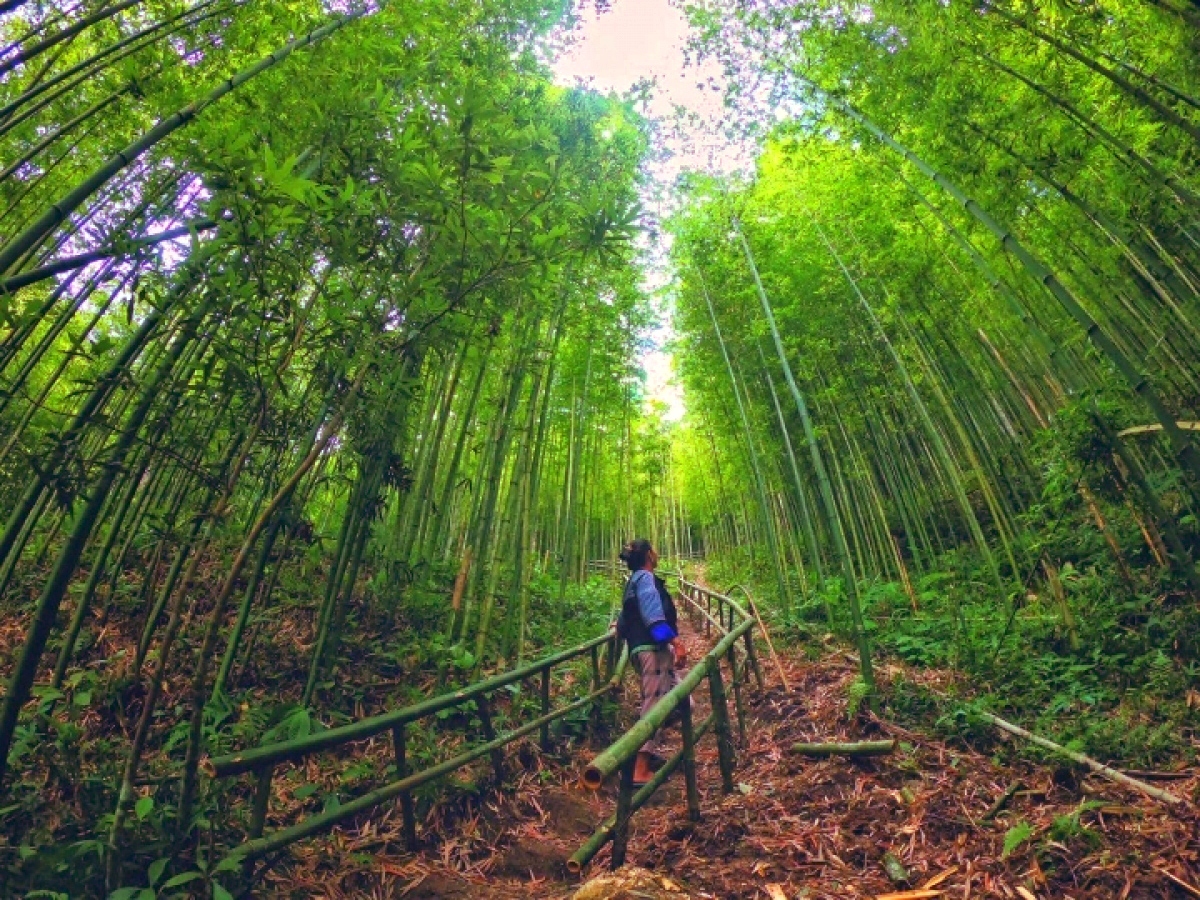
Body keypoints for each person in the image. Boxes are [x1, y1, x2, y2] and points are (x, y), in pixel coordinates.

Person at [614, 538, 687, 786]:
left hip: (643, 650)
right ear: (648, 555)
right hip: (652, 651)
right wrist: (675, 643)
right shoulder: (644, 579)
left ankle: (647, 750)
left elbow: (622, 624)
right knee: (655, 706)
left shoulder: (632, 582)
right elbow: (654, 618)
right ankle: (639, 768)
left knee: (683, 702)